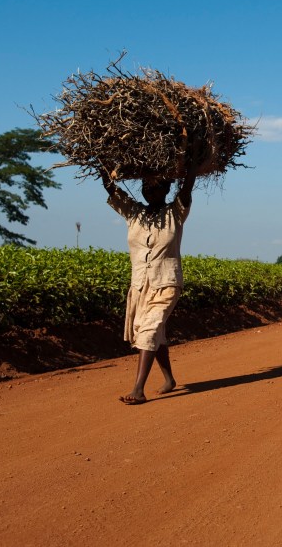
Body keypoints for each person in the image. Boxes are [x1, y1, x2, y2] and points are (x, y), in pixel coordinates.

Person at [99, 154, 201, 405]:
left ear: (167, 189)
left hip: (166, 284)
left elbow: (187, 188)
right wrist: (101, 159)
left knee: (150, 328)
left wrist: (192, 164)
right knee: (155, 334)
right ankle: (169, 379)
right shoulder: (133, 213)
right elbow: (111, 188)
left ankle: (138, 389)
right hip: (140, 286)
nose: (149, 191)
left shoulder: (176, 212)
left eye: (155, 187)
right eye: (145, 187)